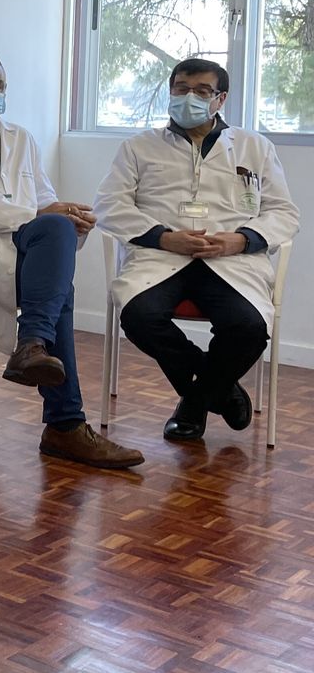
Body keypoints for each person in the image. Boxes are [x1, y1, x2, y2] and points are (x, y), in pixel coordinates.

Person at [0, 51, 143, 469]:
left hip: (16, 247)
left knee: (58, 236)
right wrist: (42, 217)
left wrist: (71, 218)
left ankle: (35, 351)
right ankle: (63, 421)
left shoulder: (21, 138)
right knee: (57, 291)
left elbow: (44, 199)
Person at [93, 58, 299, 441]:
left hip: (230, 261)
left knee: (249, 328)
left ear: (220, 99)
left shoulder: (254, 147)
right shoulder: (139, 147)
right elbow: (109, 204)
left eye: (202, 91)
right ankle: (220, 390)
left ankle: (194, 402)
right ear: (170, 91)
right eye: (182, 88)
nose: (190, 97)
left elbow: (284, 212)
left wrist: (241, 239)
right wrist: (162, 236)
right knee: (139, 316)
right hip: (161, 257)